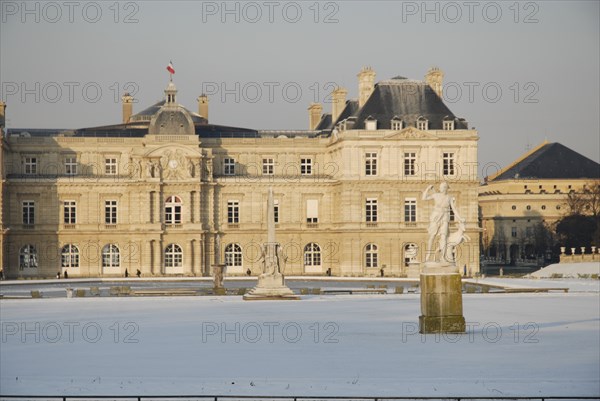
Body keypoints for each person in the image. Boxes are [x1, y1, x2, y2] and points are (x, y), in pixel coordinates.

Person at [422, 182, 463, 262]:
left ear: (447, 188)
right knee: (432, 236)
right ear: (440, 189)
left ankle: (443, 257)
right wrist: (427, 189)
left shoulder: (449, 198)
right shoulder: (436, 195)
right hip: (436, 217)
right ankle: (429, 254)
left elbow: (454, 209)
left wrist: (459, 218)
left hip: (445, 217)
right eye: (442, 187)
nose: (443, 188)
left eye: (445, 187)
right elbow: (424, 198)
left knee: (444, 237)